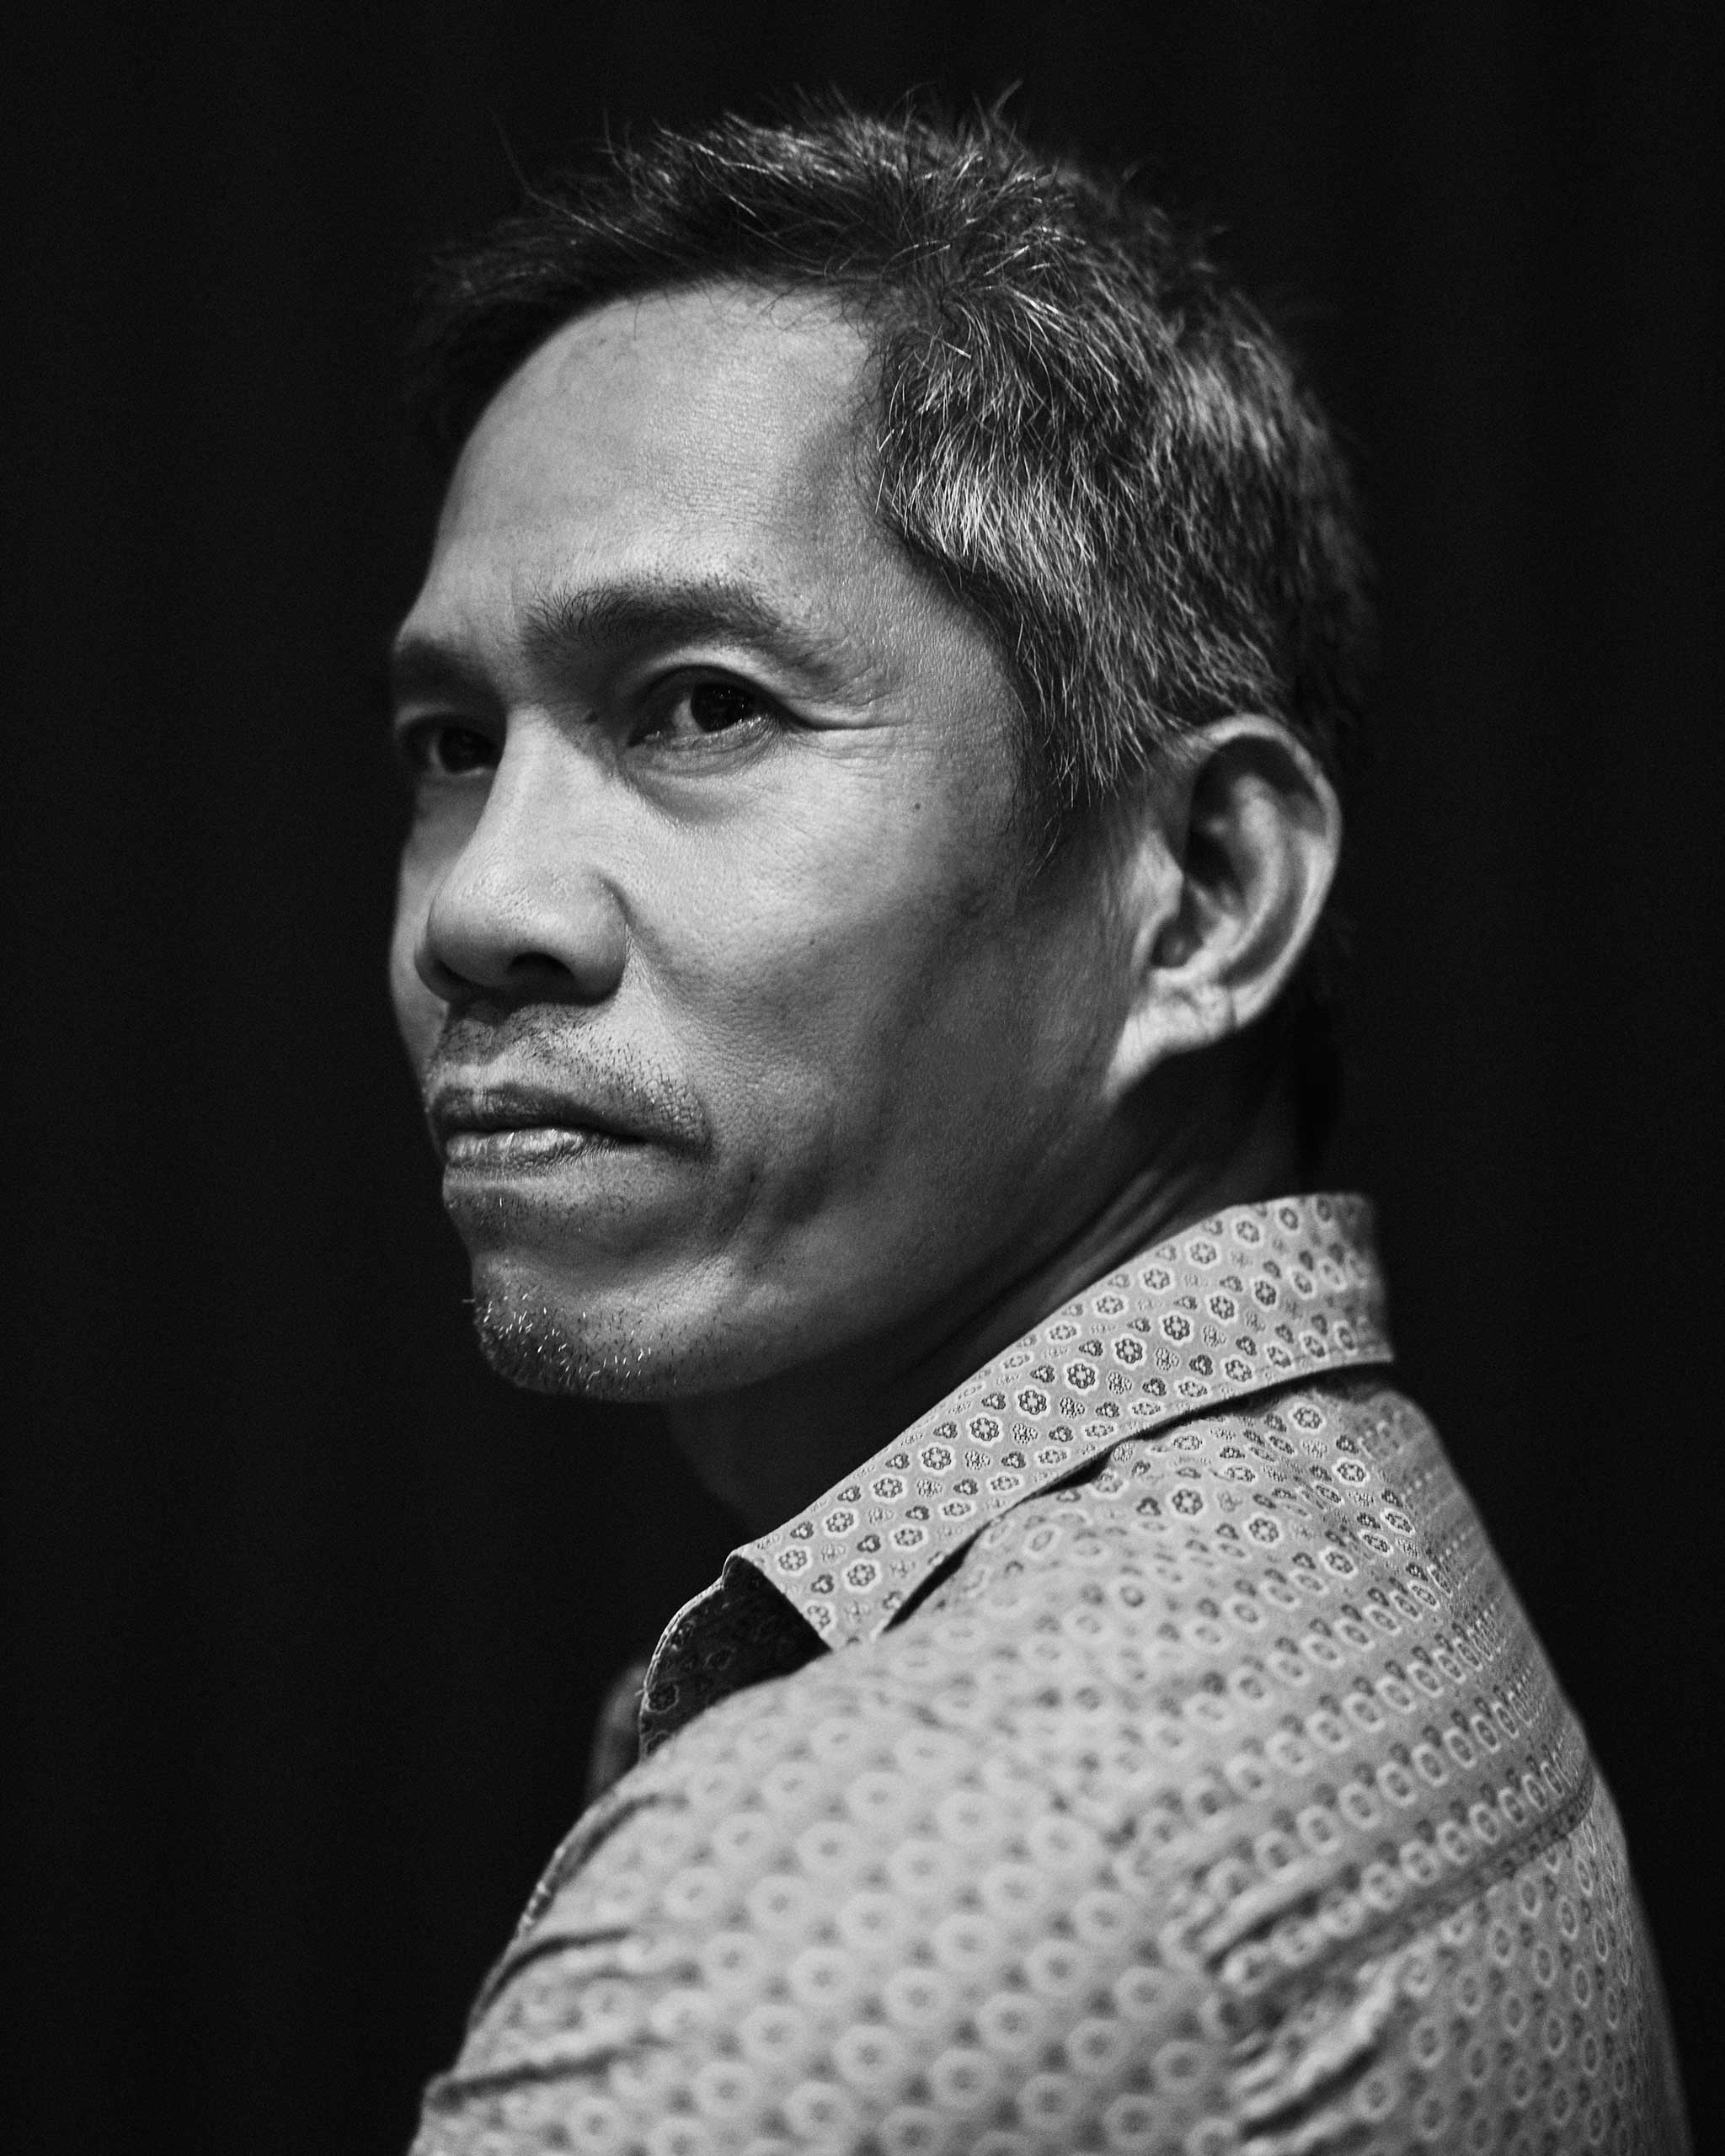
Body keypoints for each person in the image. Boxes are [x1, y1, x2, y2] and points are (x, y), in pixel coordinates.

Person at [388, 103, 1686, 2156]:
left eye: (702, 704)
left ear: (1204, 896)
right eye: (455, 743)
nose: (477, 906)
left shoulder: (850, 1903)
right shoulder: (1327, 1550)